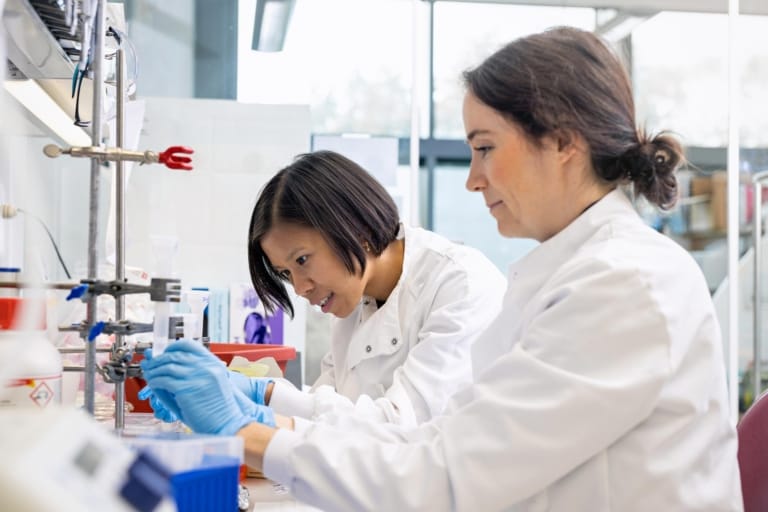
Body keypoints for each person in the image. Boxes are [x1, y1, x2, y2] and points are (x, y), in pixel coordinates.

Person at [142, 26, 743, 510]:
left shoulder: (625, 285)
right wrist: (261, 414)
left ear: (564, 143)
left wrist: (251, 432)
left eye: (484, 147)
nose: (473, 177)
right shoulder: (565, 274)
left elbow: (448, 477)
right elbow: (439, 441)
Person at [143, 149, 506, 430]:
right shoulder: (354, 303)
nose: (300, 288)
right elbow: (326, 411)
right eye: (286, 272)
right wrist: (236, 398)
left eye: (302, 260)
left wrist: (261, 396)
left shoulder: (460, 283)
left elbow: (401, 427)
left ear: (356, 227)